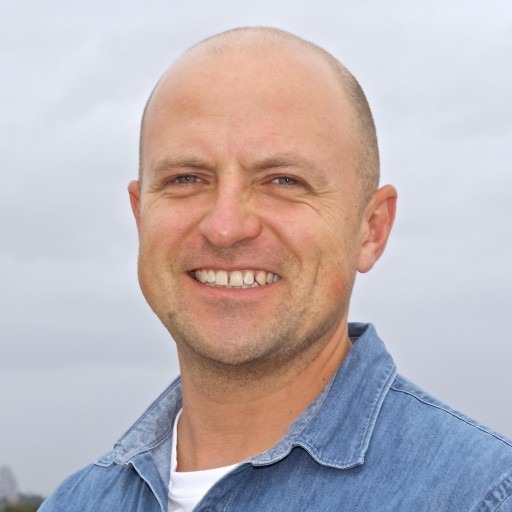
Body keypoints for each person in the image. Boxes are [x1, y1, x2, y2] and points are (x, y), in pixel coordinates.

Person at [39, 27, 512, 512]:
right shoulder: (72, 504)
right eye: (186, 178)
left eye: (283, 181)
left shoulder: (483, 497)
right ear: (141, 216)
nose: (225, 227)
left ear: (371, 230)